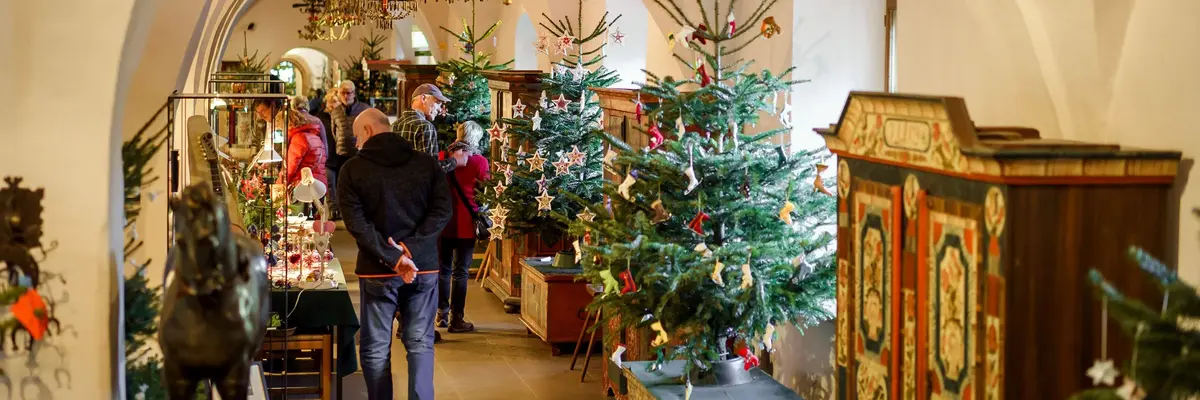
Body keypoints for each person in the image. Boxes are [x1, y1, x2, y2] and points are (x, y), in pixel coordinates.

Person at [338, 108, 452, 400]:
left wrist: (393, 256)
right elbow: (442, 212)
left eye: (356, 136)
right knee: (420, 343)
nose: (356, 142)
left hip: (378, 269)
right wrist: (410, 249)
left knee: (376, 348)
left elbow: (357, 224)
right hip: (423, 267)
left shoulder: (352, 169)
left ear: (367, 132)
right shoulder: (427, 165)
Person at [438, 121, 489, 333]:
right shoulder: (479, 161)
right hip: (466, 223)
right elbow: (486, 190)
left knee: (443, 270)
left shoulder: (443, 157)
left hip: (443, 222)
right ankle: (457, 319)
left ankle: (441, 314)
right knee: (461, 272)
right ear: (475, 139)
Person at [392, 83, 467, 173]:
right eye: (437, 103)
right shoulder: (425, 127)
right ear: (423, 98)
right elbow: (430, 169)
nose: (440, 109)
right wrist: (455, 161)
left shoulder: (394, 125)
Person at [326, 80, 372, 220]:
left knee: (359, 185)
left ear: (354, 93)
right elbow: (334, 132)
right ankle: (343, 212)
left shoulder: (364, 109)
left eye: (349, 92)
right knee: (343, 185)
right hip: (341, 154)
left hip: (359, 154)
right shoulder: (335, 111)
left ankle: (360, 213)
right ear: (339, 94)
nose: (346, 96)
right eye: (343, 93)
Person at [283, 95, 328, 187]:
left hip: (298, 177)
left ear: (293, 106)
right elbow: (325, 149)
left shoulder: (292, 121)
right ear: (307, 106)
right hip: (317, 174)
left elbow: (290, 154)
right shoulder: (317, 121)